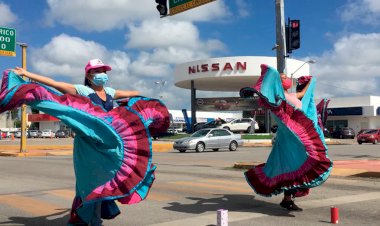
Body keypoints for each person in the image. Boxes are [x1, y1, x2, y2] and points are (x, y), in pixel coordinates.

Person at [13, 59, 140, 225]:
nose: (102, 74)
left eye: (104, 71)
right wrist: (27, 73)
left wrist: (139, 99)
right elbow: (55, 83)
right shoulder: (81, 90)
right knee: (89, 183)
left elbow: (133, 93)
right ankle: (87, 219)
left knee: (105, 181)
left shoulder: (110, 92)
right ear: (88, 75)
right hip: (87, 144)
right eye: (97, 71)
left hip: (106, 145)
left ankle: (94, 219)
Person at [240, 64, 332, 213]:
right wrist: (270, 77)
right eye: (282, 77)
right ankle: (287, 200)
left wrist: (311, 81)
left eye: (286, 77)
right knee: (295, 163)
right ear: (277, 81)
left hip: (295, 136)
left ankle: (287, 200)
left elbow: (303, 93)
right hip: (289, 135)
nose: (286, 79)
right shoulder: (279, 97)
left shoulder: (292, 96)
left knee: (294, 165)